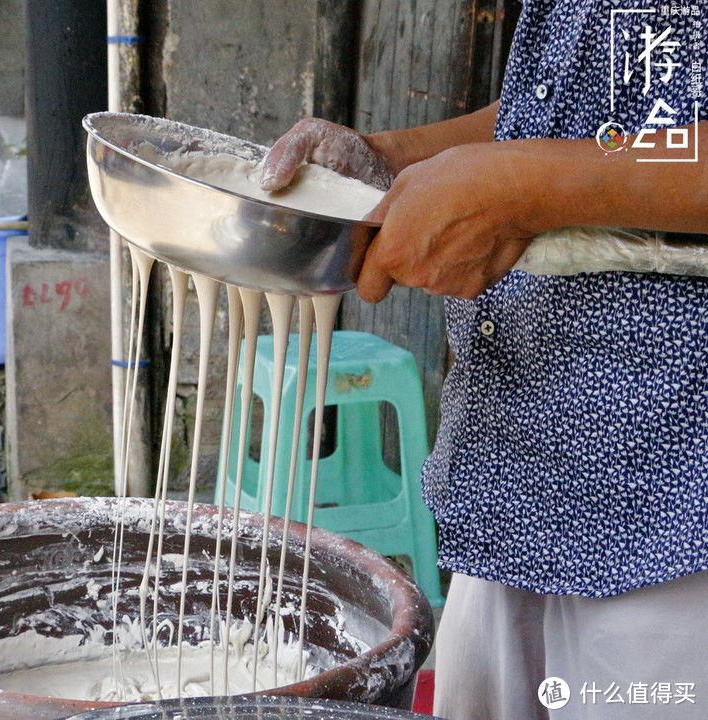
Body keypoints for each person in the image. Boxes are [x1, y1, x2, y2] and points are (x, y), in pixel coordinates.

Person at [260, 2, 707, 720]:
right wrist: (399, 157)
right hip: (522, 484)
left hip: (676, 509)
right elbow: (612, 99)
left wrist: (523, 189)